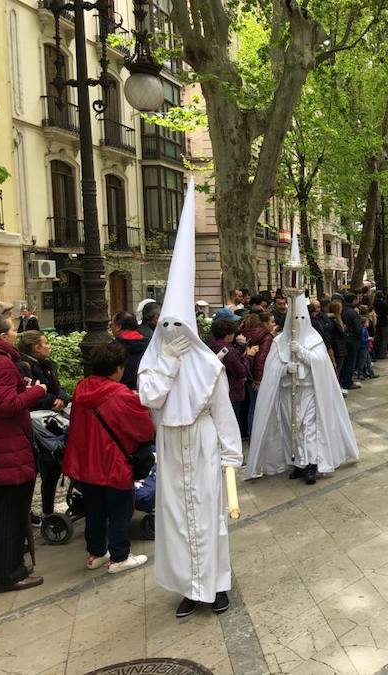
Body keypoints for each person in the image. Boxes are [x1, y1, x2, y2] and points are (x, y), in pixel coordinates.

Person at [138, 178, 243, 618]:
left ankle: (216, 585)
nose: (173, 336)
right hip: (171, 447)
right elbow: (151, 395)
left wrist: (230, 455)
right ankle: (188, 587)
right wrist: (169, 361)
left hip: (201, 444)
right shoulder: (154, 361)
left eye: (180, 330)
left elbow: (221, 411)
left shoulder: (209, 365)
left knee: (208, 517)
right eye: (166, 329)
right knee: (177, 522)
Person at [246, 238, 358, 484]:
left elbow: (321, 364)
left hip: (308, 392)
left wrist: (304, 355)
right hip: (288, 392)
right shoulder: (279, 342)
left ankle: (310, 463)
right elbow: (272, 368)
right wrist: (286, 368)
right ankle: (296, 461)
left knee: (307, 427)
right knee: (290, 427)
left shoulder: (313, 339)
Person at [63, 342, 154, 573]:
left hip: (86, 462)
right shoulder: (121, 394)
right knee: (119, 511)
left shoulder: (82, 388)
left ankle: (96, 554)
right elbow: (144, 431)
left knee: (94, 510)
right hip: (113, 462)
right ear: (117, 368)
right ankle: (119, 556)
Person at [0, 314, 46, 593]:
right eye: (12, 329)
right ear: (2, 337)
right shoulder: (0, 362)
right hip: (5, 450)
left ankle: (1, 568)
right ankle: (9, 574)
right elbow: (6, 405)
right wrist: (36, 392)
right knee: (10, 515)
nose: (16, 333)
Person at [16, 331, 69, 520]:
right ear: (36, 347)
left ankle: (48, 510)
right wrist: (51, 400)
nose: (49, 346)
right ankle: (28, 514)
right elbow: (28, 393)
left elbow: (57, 387)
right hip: (35, 423)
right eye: (46, 343)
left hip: (51, 419)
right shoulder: (24, 366)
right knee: (41, 467)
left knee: (53, 466)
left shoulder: (48, 364)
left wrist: (61, 397)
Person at [208, 318, 256, 424]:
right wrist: (250, 356)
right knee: (230, 423)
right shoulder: (228, 351)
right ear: (228, 334)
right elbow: (241, 371)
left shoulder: (210, 345)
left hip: (215, 391)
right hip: (232, 392)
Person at [242, 312, 274, 436]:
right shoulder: (266, 337)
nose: (273, 324)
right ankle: (256, 435)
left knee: (252, 406)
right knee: (258, 406)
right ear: (264, 323)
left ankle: (251, 433)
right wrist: (258, 380)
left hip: (248, 374)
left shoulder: (245, 333)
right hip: (258, 377)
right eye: (271, 322)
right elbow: (262, 358)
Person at [112, 312, 150, 391]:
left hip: (121, 392)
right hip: (145, 391)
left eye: (112, 325)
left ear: (118, 327)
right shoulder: (150, 344)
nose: (111, 328)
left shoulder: (113, 347)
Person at [373, 291, 388, 360]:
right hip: (384, 323)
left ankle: (376, 353)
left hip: (376, 323)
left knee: (378, 338)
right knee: (385, 339)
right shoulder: (386, 304)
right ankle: (382, 354)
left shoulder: (373, 303)